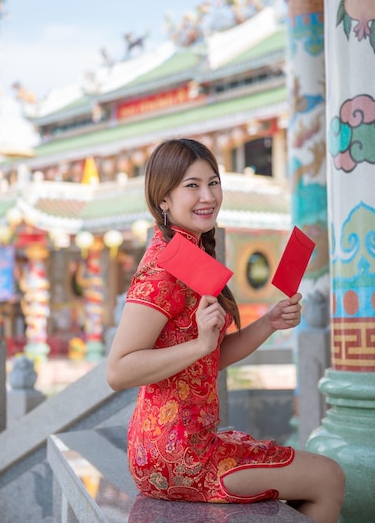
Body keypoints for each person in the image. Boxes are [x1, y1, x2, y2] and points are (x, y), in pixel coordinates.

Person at [106, 138, 345, 523]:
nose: (208, 196)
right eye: (192, 185)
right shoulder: (164, 271)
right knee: (328, 477)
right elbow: (118, 371)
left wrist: (269, 323)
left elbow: (208, 359)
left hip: (172, 448)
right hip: (179, 455)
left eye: (213, 182)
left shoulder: (188, 256)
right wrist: (200, 344)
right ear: (162, 199)